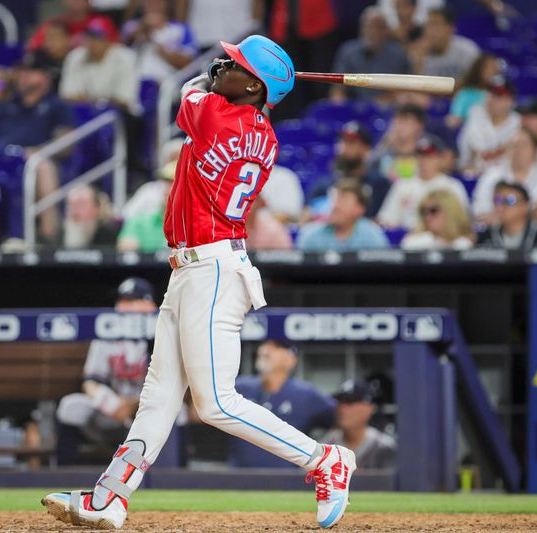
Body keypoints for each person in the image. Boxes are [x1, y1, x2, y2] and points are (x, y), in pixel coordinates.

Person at [42, 35, 357, 531]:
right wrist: (248, 81)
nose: (220, 64)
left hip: (211, 271)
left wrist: (220, 80)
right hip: (193, 270)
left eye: (233, 63)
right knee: (159, 396)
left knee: (215, 403)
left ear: (253, 85)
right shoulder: (263, 134)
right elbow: (214, 94)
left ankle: (324, 459)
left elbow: (192, 91)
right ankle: (110, 496)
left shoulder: (214, 113)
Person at [55, 278, 157, 466]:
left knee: (179, 413)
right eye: (122, 301)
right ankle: (63, 473)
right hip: (113, 407)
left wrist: (133, 404)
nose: (122, 306)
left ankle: (175, 473)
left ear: (148, 304)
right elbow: (90, 382)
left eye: (131, 301)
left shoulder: (159, 334)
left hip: (147, 407)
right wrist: (111, 403)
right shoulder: (107, 334)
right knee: (71, 406)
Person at [0, 53, 74, 243]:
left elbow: (66, 143)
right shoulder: (6, 105)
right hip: (1, 160)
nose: (23, 76)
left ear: (45, 77)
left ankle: (49, 235)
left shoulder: (56, 106)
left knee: (42, 166)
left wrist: (38, 151)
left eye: (31, 72)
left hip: (33, 161)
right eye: (22, 72)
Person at [230, 340, 335, 468]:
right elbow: (202, 413)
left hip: (286, 479)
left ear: (291, 360)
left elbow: (342, 419)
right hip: (238, 477)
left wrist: (318, 455)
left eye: (276, 347)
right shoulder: (240, 387)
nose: (266, 349)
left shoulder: (305, 394)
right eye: (264, 345)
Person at [378, 134, 469, 230]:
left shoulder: (452, 186)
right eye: (420, 156)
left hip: (442, 240)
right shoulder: (402, 185)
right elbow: (387, 219)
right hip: (408, 238)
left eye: (429, 157)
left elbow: (462, 222)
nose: (424, 161)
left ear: (440, 159)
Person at [472, 128, 537, 222]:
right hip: (497, 231)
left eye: (523, 145)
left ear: (535, 150)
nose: (518, 150)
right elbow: (480, 212)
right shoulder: (492, 175)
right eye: (513, 146)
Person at [307, 122, 390, 221]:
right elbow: (306, 214)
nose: (345, 148)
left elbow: (385, 220)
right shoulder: (324, 184)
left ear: (366, 149)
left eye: (352, 143)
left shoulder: (379, 184)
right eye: (342, 142)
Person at [60, 19, 140, 114]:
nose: (91, 42)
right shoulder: (76, 57)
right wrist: (100, 103)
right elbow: (69, 96)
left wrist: (87, 99)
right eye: (89, 37)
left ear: (109, 39)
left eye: (97, 37)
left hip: (122, 115)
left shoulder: (126, 57)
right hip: (84, 114)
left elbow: (124, 100)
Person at [330, 7, 410, 102]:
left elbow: (405, 89)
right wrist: (341, 107)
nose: (372, 31)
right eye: (368, 26)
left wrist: (378, 103)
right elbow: (337, 90)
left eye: (377, 27)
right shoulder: (348, 52)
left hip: (388, 108)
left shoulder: (398, 54)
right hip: (355, 109)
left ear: (385, 30)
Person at [321, 379, 397, 469]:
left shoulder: (385, 447)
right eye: (340, 402)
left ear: (369, 408)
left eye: (350, 402)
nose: (342, 409)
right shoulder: (326, 446)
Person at [298, 178, 390, 251]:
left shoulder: (372, 237)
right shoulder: (310, 235)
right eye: (334, 200)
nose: (335, 206)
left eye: (343, 201)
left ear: (360, 209)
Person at [458, 76, 520, 176]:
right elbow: (477, 154)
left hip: (503, 176)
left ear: (510, 101)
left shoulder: (517, 122)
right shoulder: (476, 113)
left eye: (499, 95)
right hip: (472, 173)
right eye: (491, 93)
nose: (492, 99)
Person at [121, 0, 196, 83]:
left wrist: (158, 46)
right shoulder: (131, 25)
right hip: (134, 82)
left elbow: (187, 63)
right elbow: (123, 47)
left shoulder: (181, 28)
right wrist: (144, 27)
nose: (152, 3)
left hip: (167, 84)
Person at [476, 182, 537, 250]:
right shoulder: (485, 237)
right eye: (498, 200)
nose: (501, 206)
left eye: (509, 200)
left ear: (526, 206)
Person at [409, 7, 480, 79]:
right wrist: (419, 61)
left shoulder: (467, 51)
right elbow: (416, 85)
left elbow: (476, 83)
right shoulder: (418, 53)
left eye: (436, 24)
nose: (430, 30)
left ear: (450, 28)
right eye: (428, 25)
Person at [117, 162, 172, 253]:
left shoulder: (195, 224)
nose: (169, 189)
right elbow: (125, 245)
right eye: (166, 183)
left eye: (176, 182)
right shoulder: (139, 221)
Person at [28, 0, 119, 52]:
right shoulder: (53, 24)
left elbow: (116, 49)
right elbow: (32, 47)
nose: (75, 1)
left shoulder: (101, 22)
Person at [400, 189, 474, 251]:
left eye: (433, 210)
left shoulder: (464, 245)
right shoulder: (413, 244)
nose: (427, 217)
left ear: (450, 211)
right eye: (423, 211)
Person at [371, 104, 427, 182]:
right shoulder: (385, 153)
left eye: (405, 120)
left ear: (419, 126)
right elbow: (368, 165)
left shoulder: (426, 153)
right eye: (397, 120)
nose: (399, 125)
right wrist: (385, 143)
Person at [445, 53, 501, 129]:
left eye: (493, 68)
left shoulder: (501, 96)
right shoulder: (465, 93)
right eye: (487, 68)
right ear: (479, 69)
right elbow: (454, 118)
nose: (490, 71)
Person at [62, 184, 119, 249]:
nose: (74, 209)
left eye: (81, 204)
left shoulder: (109, 238)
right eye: (70, 204)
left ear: (96, 209)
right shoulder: (57, 236)